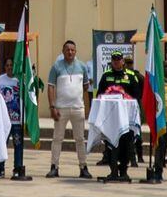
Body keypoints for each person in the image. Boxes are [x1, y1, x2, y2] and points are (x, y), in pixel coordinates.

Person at [45, 39, 92, 179]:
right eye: (67, 50)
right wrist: (52, 106)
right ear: (63, 51)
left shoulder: (82, 66)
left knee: (80, 139)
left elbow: (86, 86)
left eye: (72, 50)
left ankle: (83, 167)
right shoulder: (56, 67)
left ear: (75, 51)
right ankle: (54, 167)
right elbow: (50, 87)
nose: (70, 52)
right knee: (57, 138)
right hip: (61, 109)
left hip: (78, 108)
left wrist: (85, 106)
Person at [95, 49, 142, 183]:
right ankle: (113, 170)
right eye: (114, 60)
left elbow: (137, 96)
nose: (116, 62)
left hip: (126, 119)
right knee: (110, 144)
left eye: (118, 60)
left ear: (122, 61)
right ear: (111, 62)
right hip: (111, 119)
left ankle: (124, 171)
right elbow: (100, 94)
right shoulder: (106, 76)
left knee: (126, 145)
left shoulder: (131, 76)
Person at [0, 61, 27, 180]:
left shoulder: (19, 80)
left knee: (18, 145)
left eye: (11, 65)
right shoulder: (0, 80)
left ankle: (17, 169)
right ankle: (0, 169)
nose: (9, 67)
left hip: (16, 120)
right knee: (2, 145)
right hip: (3, 120)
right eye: (7, 65)